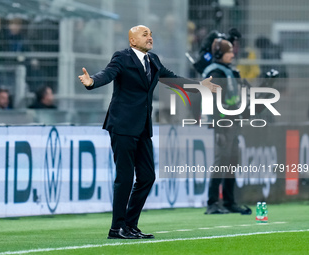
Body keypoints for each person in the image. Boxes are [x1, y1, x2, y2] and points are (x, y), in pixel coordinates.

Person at [79, 25, 219, 239]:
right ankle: (116, 228)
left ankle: (129, 225)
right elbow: (107, 74)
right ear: (132, 40)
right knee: (125, 178)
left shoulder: (153, 60)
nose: (150, 37)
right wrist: (92, 82)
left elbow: (173, 80)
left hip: (143, 127)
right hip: (123, 125)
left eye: (151, 34)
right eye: (145, 34)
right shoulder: (122, 57)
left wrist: (199, 85)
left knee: (147, 177)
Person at [202, 38, 251, 215]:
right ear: (219, 54)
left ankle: (229, 201)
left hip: (232, 120)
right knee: (221, 161)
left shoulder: (229, 71)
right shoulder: (215, 72)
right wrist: (219, 126)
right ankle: (213, 202)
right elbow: (214, 102)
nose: (232, 54)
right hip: (223, 122)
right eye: (229, 52)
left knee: (231, 161)